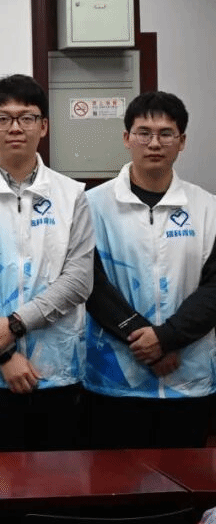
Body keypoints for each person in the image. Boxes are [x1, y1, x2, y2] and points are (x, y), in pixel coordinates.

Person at [0, 74, 94, 452]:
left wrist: (14, 325)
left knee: (57, 480)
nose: (15, 127)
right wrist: (4, 353)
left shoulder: (72, 195)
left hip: (56, 369)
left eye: (27, 117)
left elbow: (78, 280)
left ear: (44, 126)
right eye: (3, 118)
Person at [85, 91, 216, 448]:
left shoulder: (208, 208)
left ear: (182, 141)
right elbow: (90, 283)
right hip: (114, 377)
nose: (154, 143)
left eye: (166, 133)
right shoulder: (91, 205)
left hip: (187, 376)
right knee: (115, 477)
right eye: (144, 132)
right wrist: (146, 340)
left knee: (183, 476)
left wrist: (168, 338)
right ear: (126, 138)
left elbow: (213, 289)